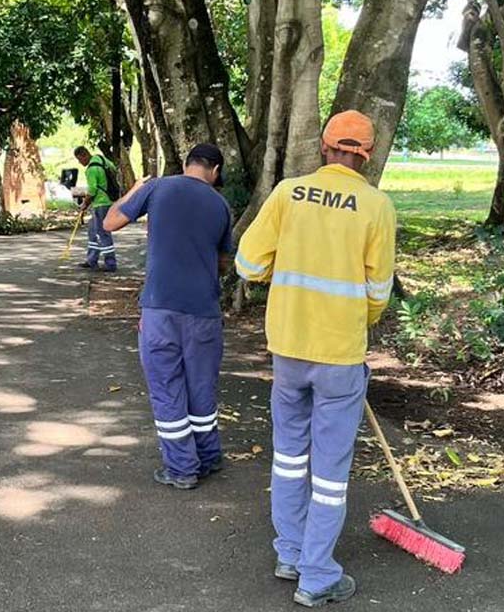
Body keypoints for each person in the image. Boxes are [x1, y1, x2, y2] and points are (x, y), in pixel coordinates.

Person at [236, 111, 396, 608]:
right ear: (367, 155)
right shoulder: (377, 206)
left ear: (325, 146)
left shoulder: (288, 194)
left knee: (288, 457)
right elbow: (379, 291)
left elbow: (248, 264)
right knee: (329, 471)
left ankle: (289, 553)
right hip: (340, 356)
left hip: (288, 349)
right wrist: (357, 321)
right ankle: (317, 574)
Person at [104, 144, 233, 490]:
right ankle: (208, 456)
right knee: (201, 387)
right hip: (205, 312)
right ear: (215, 171)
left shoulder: (158, 188)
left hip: (160, 309)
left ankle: (181, 468)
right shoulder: (221, 205)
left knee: (167, 387)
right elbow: (223, 262)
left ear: (187, 163)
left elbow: (110, 222)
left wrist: (133, 190)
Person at [74, 146, 119, 272]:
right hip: (109, 201)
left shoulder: (91, 169)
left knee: (103, 233)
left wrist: (84, 204)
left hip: (100, 203)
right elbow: (114, 170)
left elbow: (92, 190)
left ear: (84, 155)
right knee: (93, 231)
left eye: (79, 159)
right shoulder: (103, 160)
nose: (80, 162)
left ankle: (110, 264)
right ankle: (91, 260)